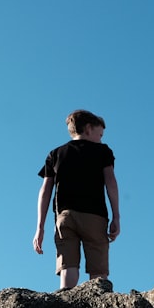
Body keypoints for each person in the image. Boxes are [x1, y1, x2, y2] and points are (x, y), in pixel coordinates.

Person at [33, 110, 120, 290]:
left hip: (65, 216)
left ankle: (66, 306)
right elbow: (111, 182)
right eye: (100, 135)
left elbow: (45, 191)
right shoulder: (102, 151)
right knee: (98, 270)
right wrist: (116, 216)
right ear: (88, 129)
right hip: (94, 215)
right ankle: (97, 307)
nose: (101, 139)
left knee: (67, 265)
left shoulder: (56, 153)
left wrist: (40, 227)